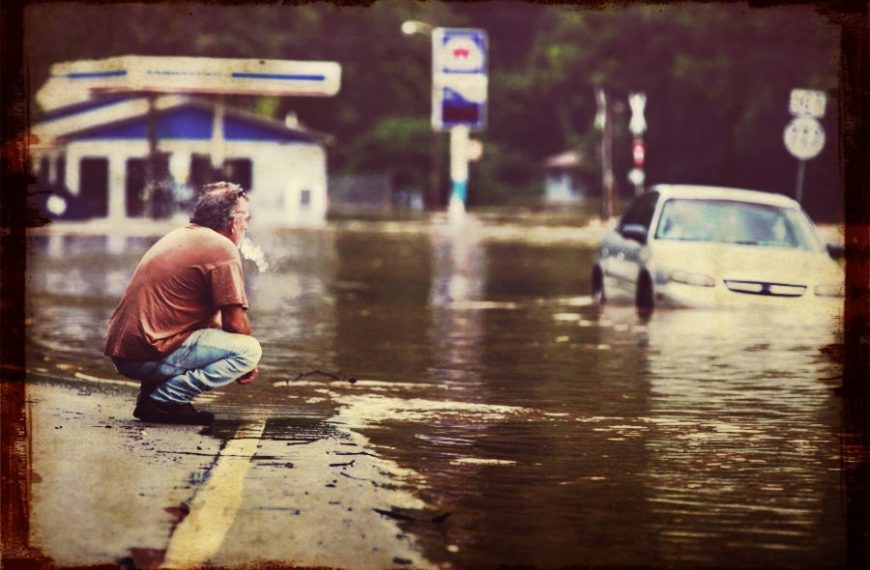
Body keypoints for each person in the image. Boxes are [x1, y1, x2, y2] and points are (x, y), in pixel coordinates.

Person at [104, 182, 262, 425]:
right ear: (232, 222)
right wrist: (250, 363)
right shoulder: (222, 248)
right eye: (245, 219)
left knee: (207, 332)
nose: (246, 226)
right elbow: (236, 323)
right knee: (249, 349)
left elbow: (215, 320)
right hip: (146, 353)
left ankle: (151, 399)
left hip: (127, 351)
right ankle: (166, 401)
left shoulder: (182, 235)